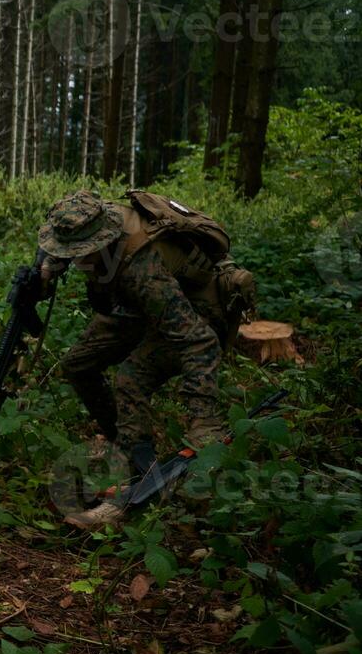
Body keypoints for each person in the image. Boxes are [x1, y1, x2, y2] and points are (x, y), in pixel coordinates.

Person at [37, 189, 250, 529]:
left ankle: (137, 482)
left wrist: (203, 423)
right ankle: (132, 445)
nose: (76, 261)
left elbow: (200, 341)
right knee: (78, 364)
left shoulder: (143, 271)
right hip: (139, 307)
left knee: (130, 378)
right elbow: (71, 241)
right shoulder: (95, 217)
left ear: (99, 243)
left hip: (196, 311)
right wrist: (50, 265)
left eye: (79, 254)